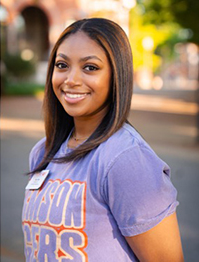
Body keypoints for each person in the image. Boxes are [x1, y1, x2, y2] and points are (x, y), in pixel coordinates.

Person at [22, 18, 184, 262]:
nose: (71, 79)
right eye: (62, 64)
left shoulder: (125, 159)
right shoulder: (43, 151)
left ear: (116, 75)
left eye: (90, 67)